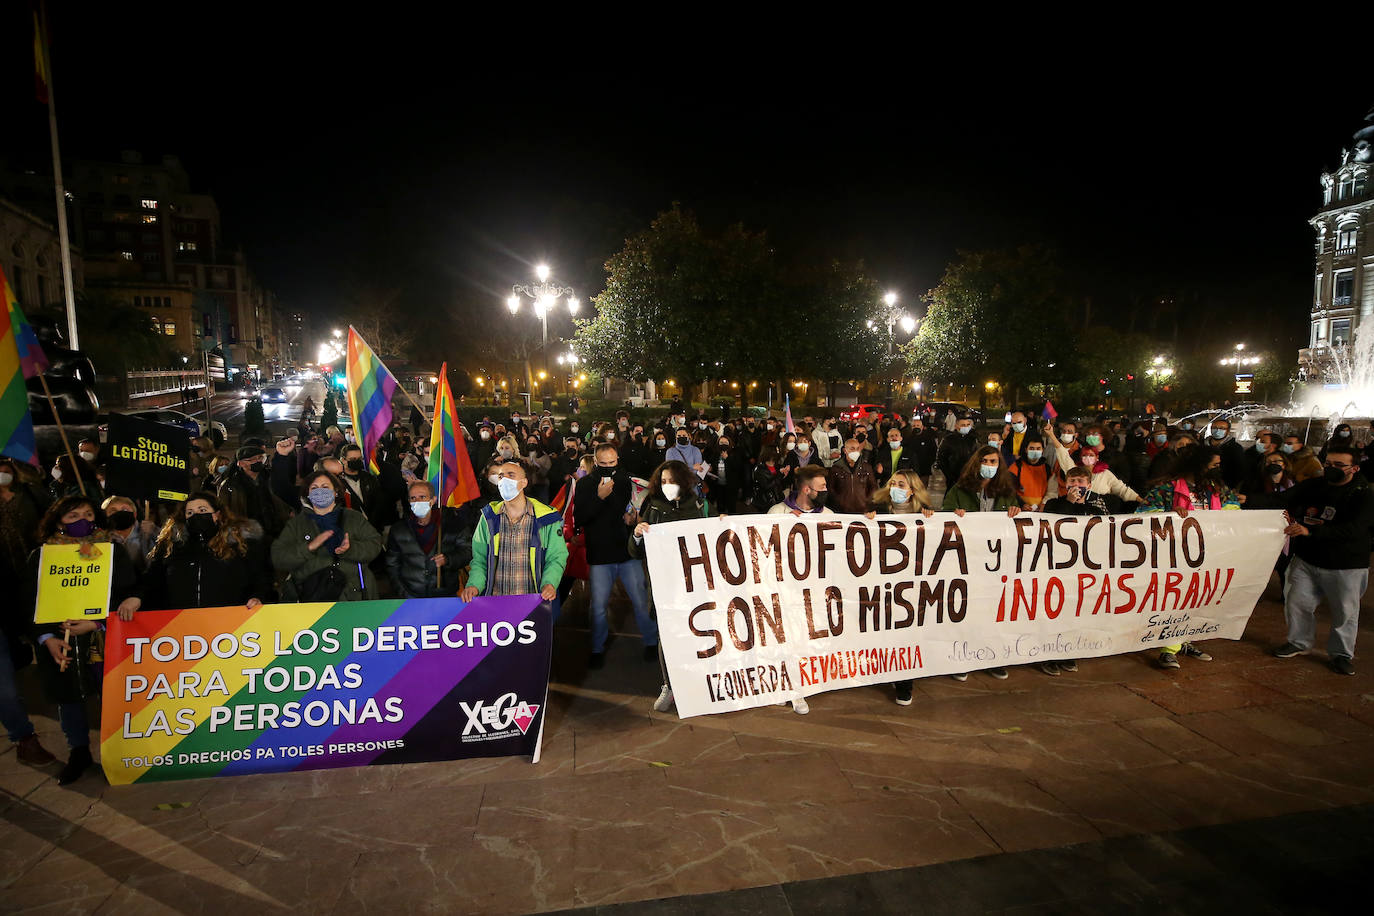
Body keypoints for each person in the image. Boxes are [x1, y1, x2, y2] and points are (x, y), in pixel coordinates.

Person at [25, 495, 140, 784]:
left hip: (101, 637)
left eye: (88, 514)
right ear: (58, 521)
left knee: (111, 695)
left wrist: (97, 622)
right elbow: (28, 603)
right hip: (59, 640)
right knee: (69, 697)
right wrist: (46, 638)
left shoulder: (111, 550)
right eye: (73, 516)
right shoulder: (42, 555)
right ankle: (78, 751)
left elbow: (127, 589)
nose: (83, 521)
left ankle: (119, 753)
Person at [1272, 444, 1374, 676]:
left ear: (1354, 468)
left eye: (1339, 465)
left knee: (1345, 612)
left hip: (1346, 564)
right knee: (1296, 601)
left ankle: (1341, 654)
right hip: (1308, 560)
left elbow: (1356, 529)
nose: (1331, 469)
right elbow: (1284, 499)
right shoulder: (1315, 486)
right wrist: (1247, 499)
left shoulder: (1363, 494)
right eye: (1328, 464)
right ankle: (1298, 642)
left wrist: (1311, 532)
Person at [1136, 445, 1239, 670]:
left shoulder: (1217, 489)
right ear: (1198, 465)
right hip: (1174, 557)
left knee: (1199, 599)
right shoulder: (1167, 489)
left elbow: (1235, 511)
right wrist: (1170, 516)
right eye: (1214, 466)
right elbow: (1142, 516)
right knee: (1175, 601)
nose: (1217, 470)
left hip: (1208, 555)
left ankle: (1184, 641)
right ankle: (1168, 649)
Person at [629, 460, 710, 714]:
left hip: (694, 583)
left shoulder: (699, 505)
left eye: (672, 481)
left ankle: (699, 684)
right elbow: (634, 552)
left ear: (683, 482)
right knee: (667, 634)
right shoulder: (652, 506)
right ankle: (670, 685)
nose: (667, 486)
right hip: (664, 584)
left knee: (698, 632)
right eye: (663, 482)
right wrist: (638, 535)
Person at [568, 445, 655, 669]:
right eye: (603, 464)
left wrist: (634, 520)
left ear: (618, 460)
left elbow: (641, 514)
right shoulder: (586, 484)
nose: (607, 467)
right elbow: (580, 519)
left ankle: (651, 642)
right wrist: (598, 498)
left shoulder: (629, 481)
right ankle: (597, 648)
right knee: (597, 606)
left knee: (640, 600)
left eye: (612, 463)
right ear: (595, 462)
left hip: (627, 552)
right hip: (599, 554)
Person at [941, 446, 1021, 680]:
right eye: (985, 460)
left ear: (1000, 465)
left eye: (993, 461)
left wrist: (1016, 511)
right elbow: (944, 516)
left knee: (992, 611)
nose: (989, 465)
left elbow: (1015, 521)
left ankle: (992, 657)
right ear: (976, 463)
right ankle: (962, 658)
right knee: (966, 610)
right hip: (967, 560)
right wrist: (953, 514)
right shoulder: (960, 489)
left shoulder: (1006, 492)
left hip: (996, 562)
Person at [127, 492, 272, 612]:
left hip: (230, 625)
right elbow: (152, 576)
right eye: (190, 512)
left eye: (202, 510)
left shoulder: (240, 545)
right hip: (178, 626)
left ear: (217, 515)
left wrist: (258, 597)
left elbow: (259, 578)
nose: (195, 515)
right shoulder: (171, 546)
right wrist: (136, 597)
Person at [1036, 466, 1109, 676]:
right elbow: (1052, 525)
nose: (1076, 486)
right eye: (1072, 481)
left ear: (1089, 485)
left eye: (1081, 482)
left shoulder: (1098, 503)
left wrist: (1082, 506)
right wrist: (1069, 503)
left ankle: (1068, 652)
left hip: (1084, 567)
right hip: (1057, 567)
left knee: (1074, 612)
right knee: (1052, 611)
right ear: (1065, 484)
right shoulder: (1054, 504)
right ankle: (1048, 655)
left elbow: (1103, 526)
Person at [872, 469, 936, 706]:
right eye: (893, 483)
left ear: (913, 490)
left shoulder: (926, 514)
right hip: (883, 580)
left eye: (902, 484)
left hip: (912, 584)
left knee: (907, 631)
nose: (896, 488)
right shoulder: (876, 509)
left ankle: (905, 682)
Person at [272, 472, 382, 601]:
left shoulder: (353, 517)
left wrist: (350, 549)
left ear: (335, 492)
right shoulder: (297, 524)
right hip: (314, 596)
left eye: (325, 487)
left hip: (355, 595)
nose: (320, 491)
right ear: (307, 493)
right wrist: (308, 548)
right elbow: (279, 558)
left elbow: (374, 545)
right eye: (314, 488)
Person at [387, 479, 471, 598]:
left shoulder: (453, 524)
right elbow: (392, 564)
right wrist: (402, 592)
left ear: (433, 500)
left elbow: (468, 551)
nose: (417, 501)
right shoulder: (399, 529)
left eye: (422, 497)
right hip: (411, 594)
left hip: (444, 593)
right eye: (413, 498)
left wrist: (448, 559)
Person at [219, 444, 291, 541]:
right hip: (246, 533)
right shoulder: (230, 485)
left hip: (275, 529)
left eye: (260, 457)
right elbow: (225, 509)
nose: (258, 461)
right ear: (240, 463)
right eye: (252, 459)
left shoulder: (272, 478)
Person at [102, 495, 157, 574]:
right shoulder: (102, 539)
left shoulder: (151, 531)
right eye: (113, 511)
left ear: (134, 514)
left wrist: (153, 533)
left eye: (125, 509)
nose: (119, 513)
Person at [829, 438, 877, 514]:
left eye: (857, 449)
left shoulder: (867, 467)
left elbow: (873, 487)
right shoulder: (836, 468)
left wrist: (866, 501)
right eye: (852, 449)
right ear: (845, 450)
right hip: (842, 511)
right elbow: (831, 489)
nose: (855, 451)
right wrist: (839, 501)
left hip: (863, 510)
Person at [1008, 435, 1055, 511]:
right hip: (1019, 510)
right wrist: (1021, 504)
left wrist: (1044, 504)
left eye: (1038, 448)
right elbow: (1009, 489)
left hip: (1041, 510)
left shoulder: (1047, 469)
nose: (1035, 451)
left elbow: (1051, 491)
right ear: (1026, 449)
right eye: (1032, 448)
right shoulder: (1016, 467)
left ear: (1043, 450)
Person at [935, 416, 978, 487]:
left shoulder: (973, 439)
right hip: (953, 480)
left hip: (969, 478)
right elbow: (941, 458)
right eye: (963, 425)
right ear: (956, 426)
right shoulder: (948, 440)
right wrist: (949, 475)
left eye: (968, 425)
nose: (966, 427)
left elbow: (977, 457)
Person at [751, 446, 786, 511]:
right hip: (765, 501)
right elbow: (766, 486)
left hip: (778, 498)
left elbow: (781, 483)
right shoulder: (759, 469)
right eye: (776, 451)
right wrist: (779, 475)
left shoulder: (778, 466)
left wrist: (784, 474)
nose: (778, 453)